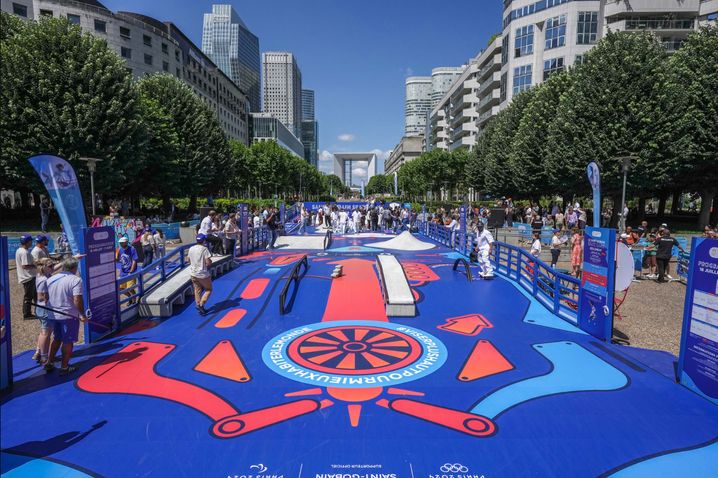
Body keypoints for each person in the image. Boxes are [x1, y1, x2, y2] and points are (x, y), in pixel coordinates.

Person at [44, 257, 87, 375]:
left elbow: (46, 297)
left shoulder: (51, 279)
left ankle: (49, 362)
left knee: (57, 338)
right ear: (74, 268)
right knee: (68, 341)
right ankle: (64, 367)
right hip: (68, 315)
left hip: (53, 314)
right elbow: (77, 299)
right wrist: (82, 314)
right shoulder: (75, 280)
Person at [33, 257, 55, 364]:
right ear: (44, 267)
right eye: (51, 266)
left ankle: (38, 352)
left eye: (53, 265)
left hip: (42, 308)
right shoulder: (44, 280)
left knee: (45, 331)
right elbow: (40, 297)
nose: (53, 267)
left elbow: (56, 268)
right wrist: (51, 297)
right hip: (44, 308)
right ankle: (44, 357)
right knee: (45, 333)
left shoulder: (43, 275)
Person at [189, 234, 213, 315]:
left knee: (197, 290)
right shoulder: (204, 249)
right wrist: (209, 263)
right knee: (208, 289)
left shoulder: (191, 248)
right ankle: (202, 304)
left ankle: (198, 304)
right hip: (202, 274)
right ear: (204, 241)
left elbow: (188, 259)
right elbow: (208, 262)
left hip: (193, 273)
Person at [16, 235, 37, 320]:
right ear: (28, 242)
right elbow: (25, 266)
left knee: (32, 295)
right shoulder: (25, 252)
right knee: (28, 296)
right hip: (28, 277)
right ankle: (27, 314)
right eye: (31, 241)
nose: (31, 243)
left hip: (26, 276)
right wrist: (36, 265)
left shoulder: (19, 250)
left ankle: (35, 311)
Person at [116, 236, 138, 302]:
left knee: (130, 288)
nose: (120, 244)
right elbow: (118, 259)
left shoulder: (132, 249)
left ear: (126, 242)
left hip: (130, 272)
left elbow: (134, 260)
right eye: (120, 243)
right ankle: (130, 298)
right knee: (120, 288)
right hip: (123, 272)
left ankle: (134, 301)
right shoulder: (119, 250)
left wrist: (131, 271)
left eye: (122, 243)